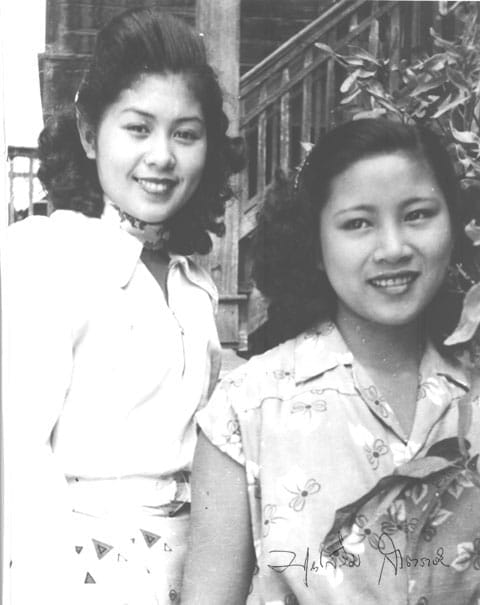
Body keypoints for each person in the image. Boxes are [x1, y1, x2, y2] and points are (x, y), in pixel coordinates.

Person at [181, 119, 480, 605]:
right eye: (358, 223)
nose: (393, 248)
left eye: (418, 215)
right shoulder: (248, 408)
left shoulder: (473, 387)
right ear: (314, 244)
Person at [3, 7, 243, 605]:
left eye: (185, 134)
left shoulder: (193, 282)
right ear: (90, 135)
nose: (161, 156)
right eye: (138, 128)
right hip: (80, 571)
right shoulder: (46, 258)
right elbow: (17, 457)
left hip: (195, 568)